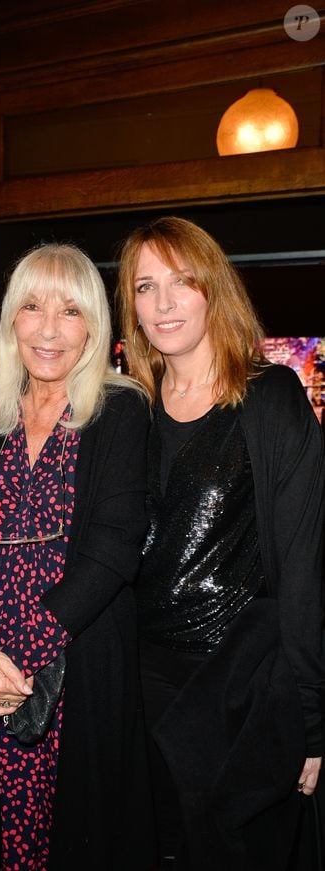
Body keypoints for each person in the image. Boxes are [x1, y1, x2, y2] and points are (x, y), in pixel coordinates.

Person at [0, 243, 153, 871]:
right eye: (31, 307)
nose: (49, 328)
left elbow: (115, 546)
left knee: (75, 835)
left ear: (94, 325)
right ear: (11, 320)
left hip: (74, 656)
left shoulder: (119, 409)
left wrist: (17, 661)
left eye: (70, 310)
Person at [117, 216, 324, 870]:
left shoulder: (271, 398)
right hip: (139, 684)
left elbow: (305, 568)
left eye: (181, 282)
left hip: (240, 690)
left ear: (213, 289)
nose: (164, 302)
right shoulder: (126, 408)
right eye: (146, 287)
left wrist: (313, 720)